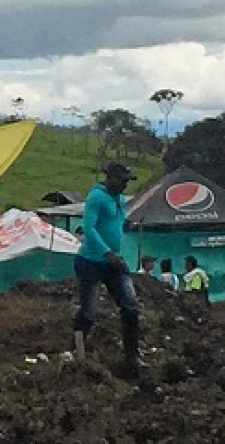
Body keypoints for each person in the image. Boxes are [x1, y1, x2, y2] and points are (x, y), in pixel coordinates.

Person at [72, 161, 140, 377]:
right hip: (92, 261)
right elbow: (89, 228)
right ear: (110, 178)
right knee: (89, 312)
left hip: (114, 262)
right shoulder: (96, 197)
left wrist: (127, 226)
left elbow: (115, 223)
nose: (124, 186)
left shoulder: (120, 200)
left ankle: (132, 357)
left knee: (130, 306)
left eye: (127, 182)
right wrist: (106, 253)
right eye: (122, 181)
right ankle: (77, 352)